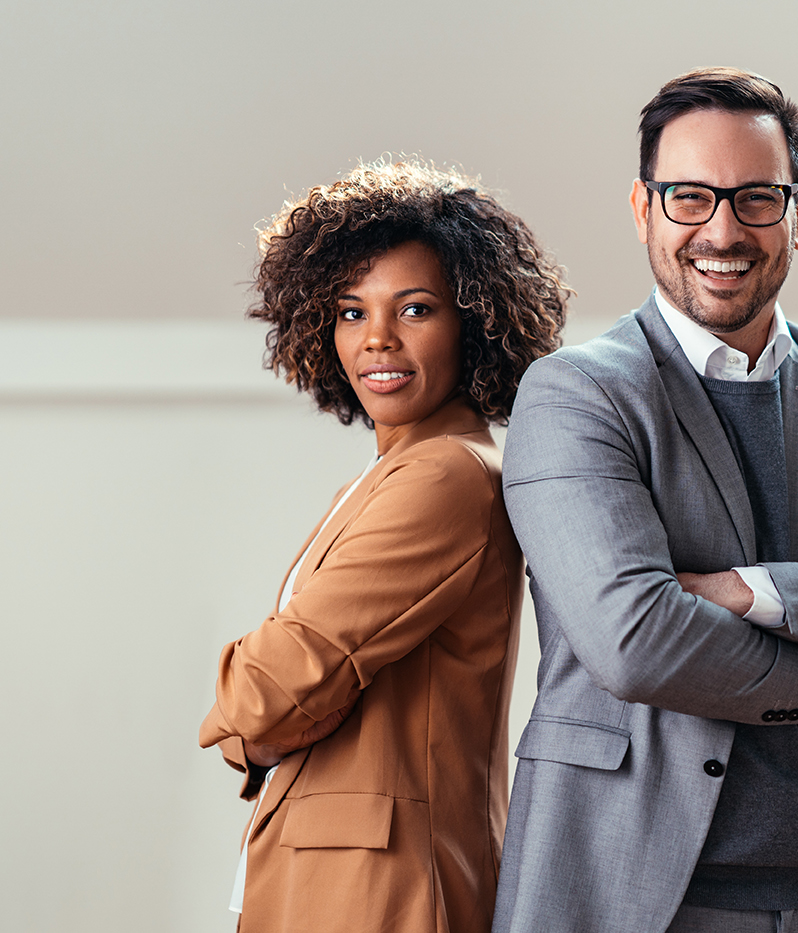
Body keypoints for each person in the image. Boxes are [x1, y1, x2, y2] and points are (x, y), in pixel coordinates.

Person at [493, 68, 798, 933]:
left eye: (756, 198)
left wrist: (749, 589)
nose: (722, 230)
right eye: (689, 197)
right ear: (643, 207)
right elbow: (635, 641)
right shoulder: (574, 395)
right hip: (631, 899)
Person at [198, 159, 568, 933]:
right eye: (349, 310)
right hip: (332, 870)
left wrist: (252, 713)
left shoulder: (444, 475)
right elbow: (275, 702)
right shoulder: (392, 472)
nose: (377, 340)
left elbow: (264, 691)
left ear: (475, 320)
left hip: (384, 888)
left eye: (415, 308)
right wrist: (260, 726)